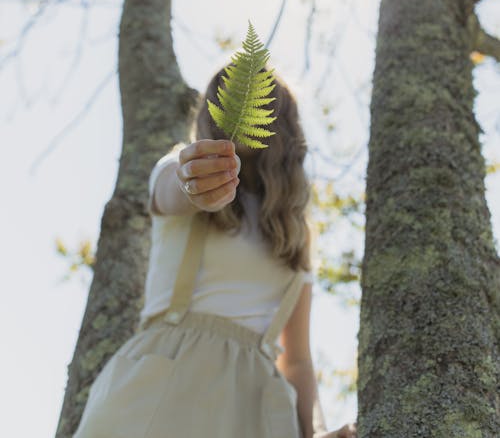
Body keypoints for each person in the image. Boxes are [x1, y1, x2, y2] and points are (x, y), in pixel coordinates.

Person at [73, 67, 357, 438]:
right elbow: (173, 190)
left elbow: (298, 359)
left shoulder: (295, 232)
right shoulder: (178, 168)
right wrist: (195, 183)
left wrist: (315, 431)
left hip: (258, 405)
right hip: (169, 375)